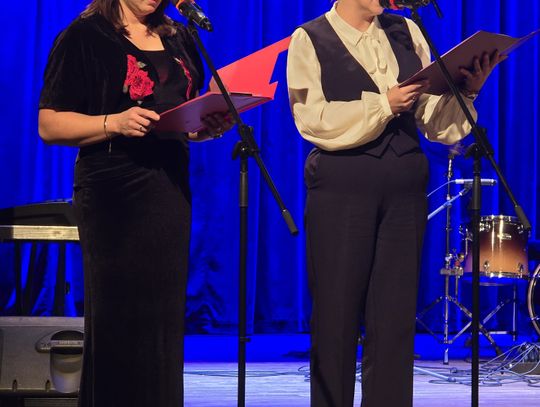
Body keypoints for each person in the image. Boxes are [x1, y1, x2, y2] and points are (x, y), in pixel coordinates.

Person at [286, 0, 503, 406]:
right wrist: (383, 104)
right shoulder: (310, 38)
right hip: (342, 187)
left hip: (404, 187)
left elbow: (434, 123)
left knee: (394, 320)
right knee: (336, 317)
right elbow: (313, 120)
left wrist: (468, 89)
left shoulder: (406, 31)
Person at [38, 1, 233, 406]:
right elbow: (49, 124)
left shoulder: (179, 36)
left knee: (161, 320)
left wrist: (206, 127)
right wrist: (113, 122)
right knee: (119, 317)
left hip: (168, 187)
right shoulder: (85, 36)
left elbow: (180, 115)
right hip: (113, 193)